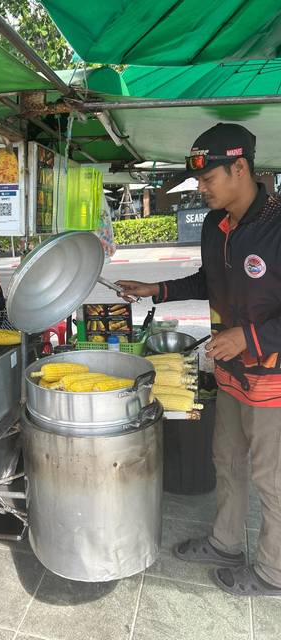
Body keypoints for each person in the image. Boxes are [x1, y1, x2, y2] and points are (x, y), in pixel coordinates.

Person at [116, 123, 281, 597]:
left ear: (241, 167)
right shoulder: (215, 225)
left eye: (209, 178)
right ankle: (226, 542)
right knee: (226, 461)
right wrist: (157, 290)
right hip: (229, 373)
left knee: (271, 479)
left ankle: (273, 571)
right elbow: (209, 281)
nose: (201, 188)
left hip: (272, 379)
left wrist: (247, 337)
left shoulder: (276, 224)